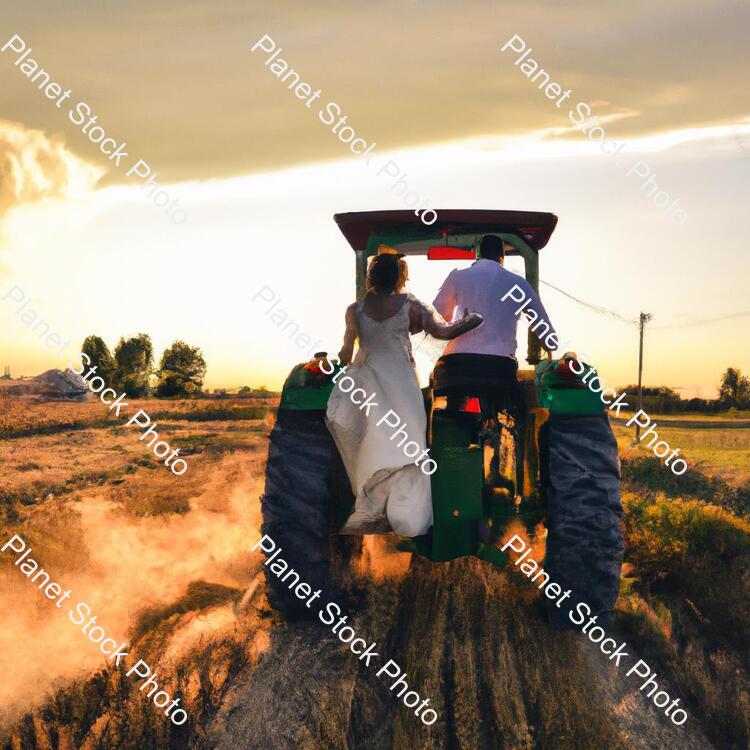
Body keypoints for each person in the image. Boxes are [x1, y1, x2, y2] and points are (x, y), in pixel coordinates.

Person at [326, 246, 483, 537]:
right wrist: (470, 322)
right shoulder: (410, 305)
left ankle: (372, 507)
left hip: (369, 387)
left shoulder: (354, 311)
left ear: (370, 278)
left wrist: (335, 360)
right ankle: (406, 517)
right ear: (400, 277)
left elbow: (346, 354)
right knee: (411, 448)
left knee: (373, 444)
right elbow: (443, 332)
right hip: (402, 387)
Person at [432, 234, 557, 415]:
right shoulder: (518, 284)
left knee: (449, 398)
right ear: (502, 258)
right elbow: (549, 339)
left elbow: (437, 318)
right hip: (499, 369)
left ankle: (450, 425)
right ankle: (503, 431)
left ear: (477, 255)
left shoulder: (457, 276)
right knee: (516, 405)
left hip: (456, 367)